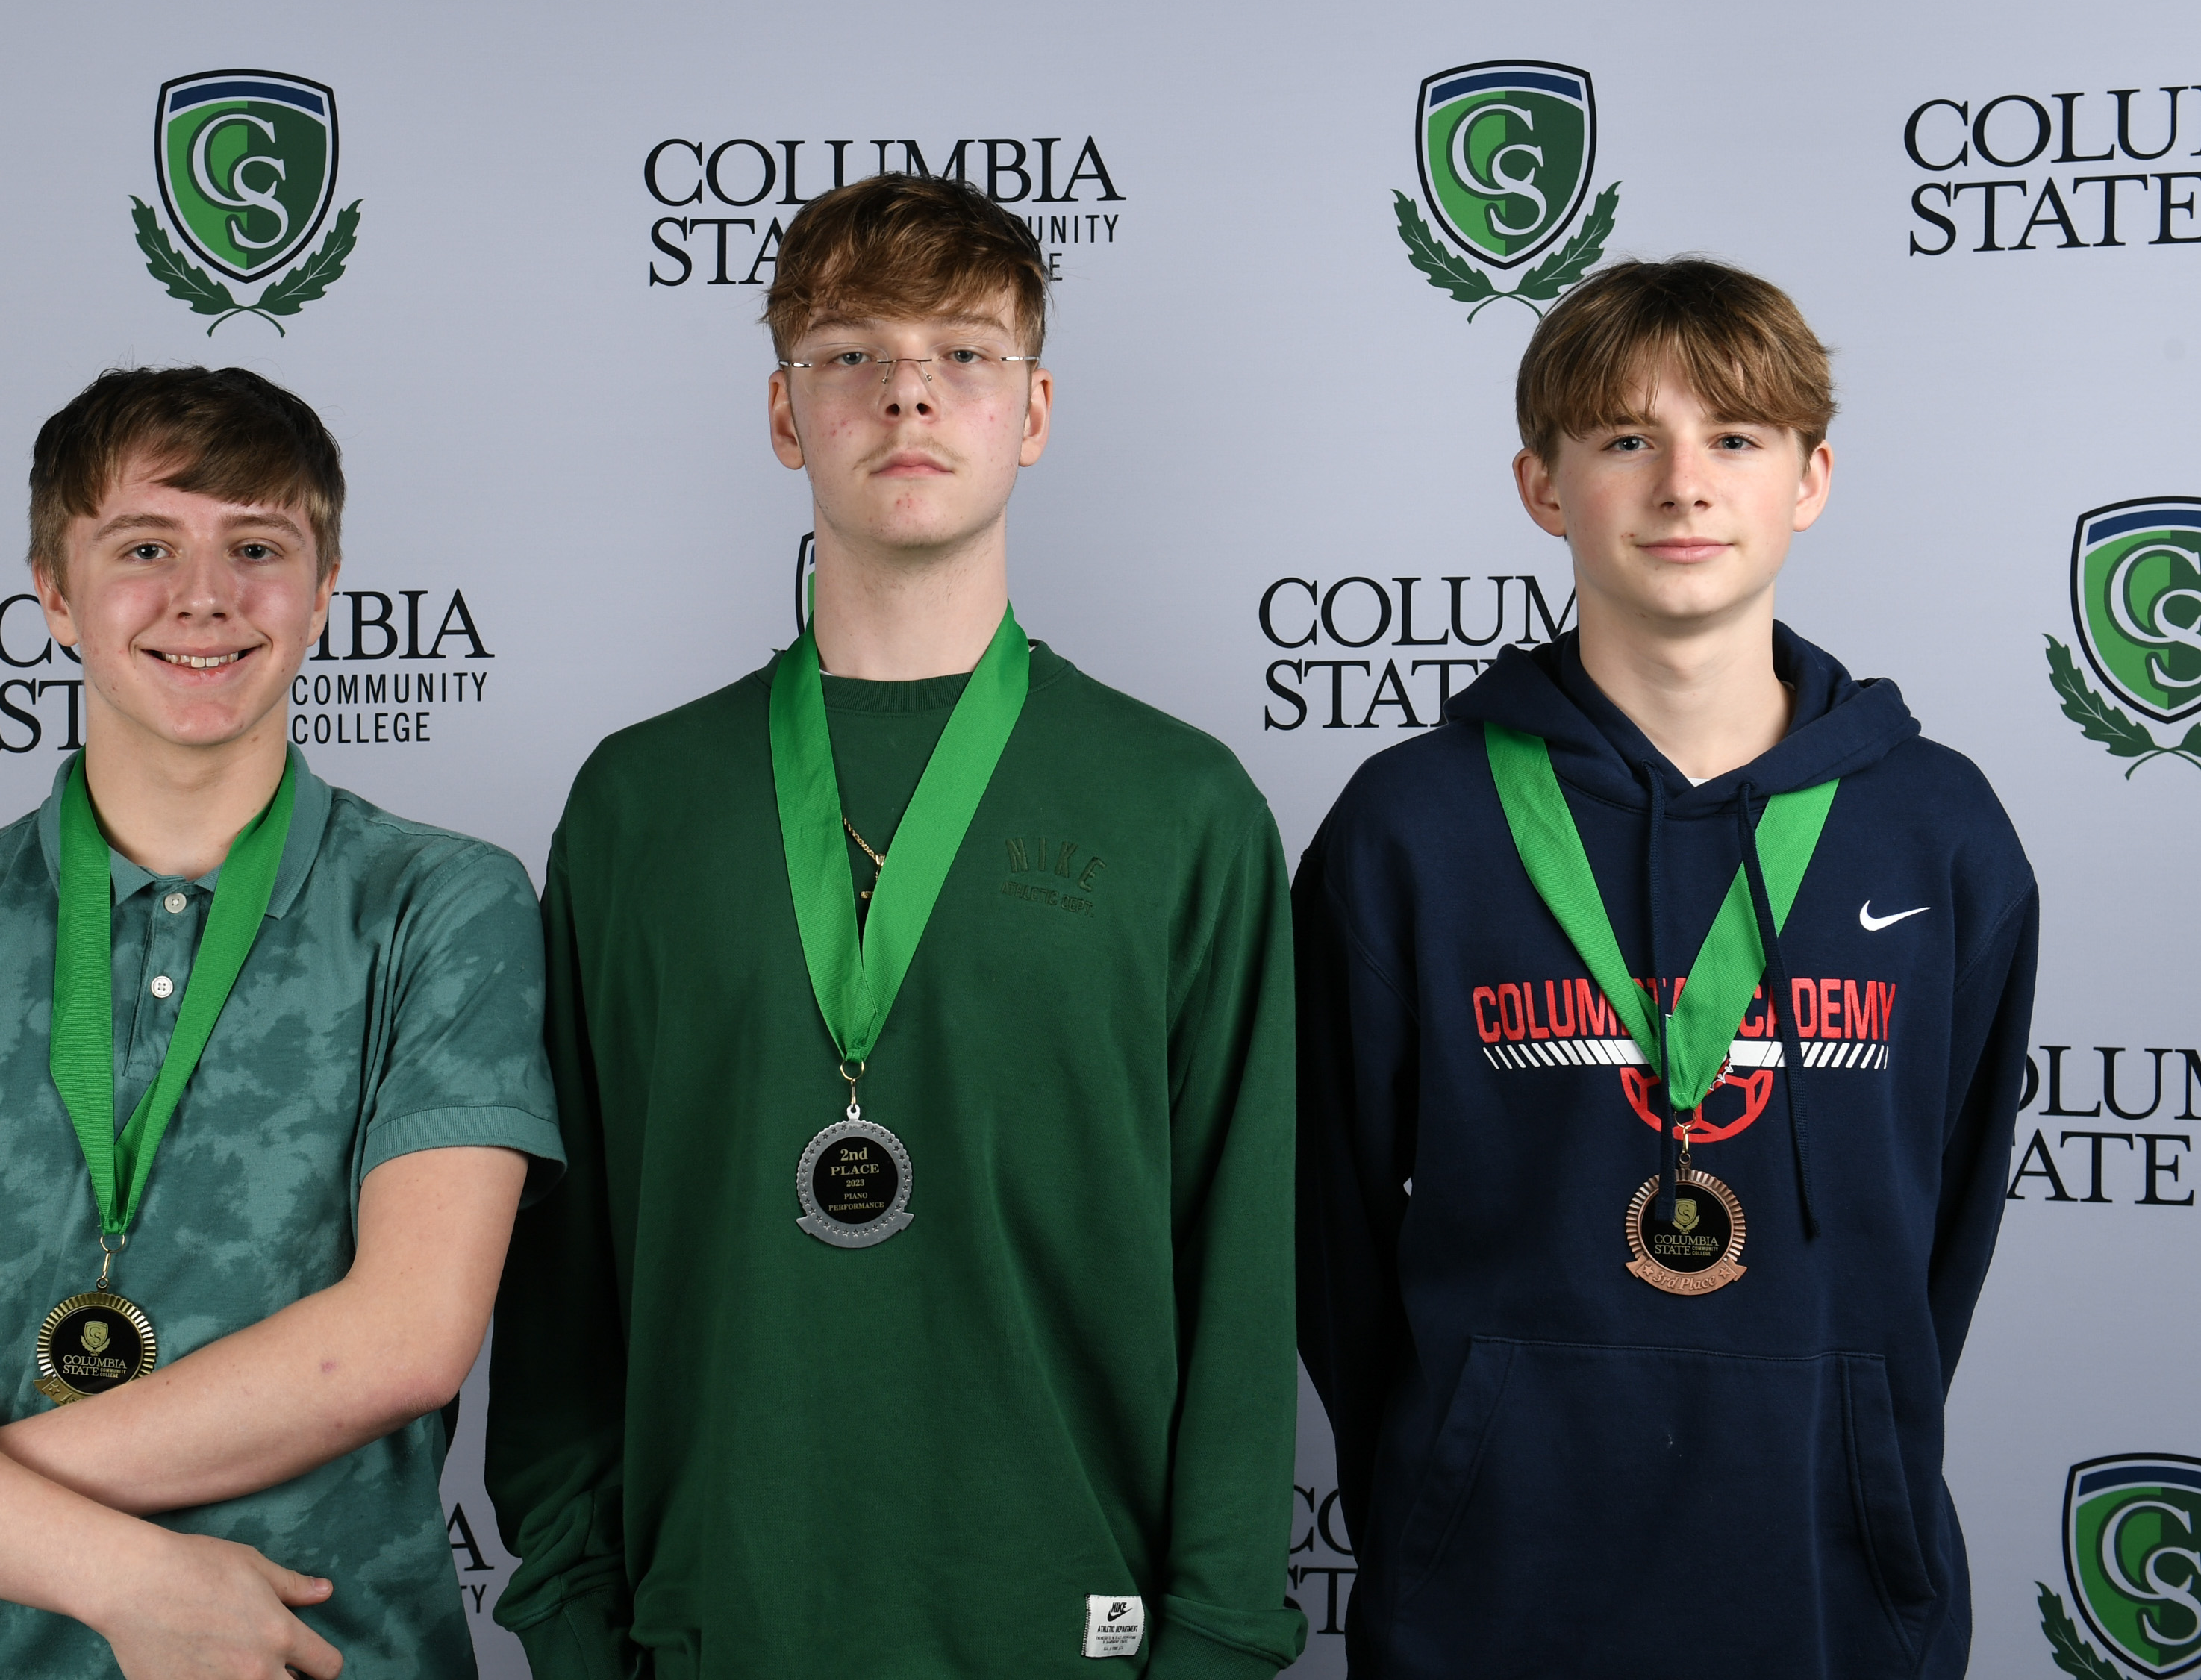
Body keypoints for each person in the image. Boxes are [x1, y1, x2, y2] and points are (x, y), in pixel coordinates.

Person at [486, 172, 1308, 1678]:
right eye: (851, 351)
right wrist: (571, 1615)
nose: (907, 394)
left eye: (964, 354)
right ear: (788, 416)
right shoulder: (641, 803)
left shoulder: (1180, 805)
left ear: (1034, 411)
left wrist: (1212, 1642)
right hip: (710, 1629)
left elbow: (1246, 1273)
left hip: (1076, 1638)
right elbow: (564, 1269)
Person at [0, 366, 559, 1679]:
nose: (204, 597)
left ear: (326, 589)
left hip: (340, 1656)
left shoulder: (441, 905)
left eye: (258, 547)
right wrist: (130, 1578)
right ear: (56, 595)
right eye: (145, 546)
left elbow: (405, 1334)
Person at [1293, 259, 2038, 1677]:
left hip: (1836, 1584)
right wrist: (1458, 1467)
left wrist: (1855, 1437)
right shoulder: (1412, 826)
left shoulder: (1936, 829)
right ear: (1540, 484)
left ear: (1810, 479)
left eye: (1735, 439)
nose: (1682, 486)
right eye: (1626, 439)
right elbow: (1326, 1234)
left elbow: (1943, 1225)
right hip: (1487, 1585)